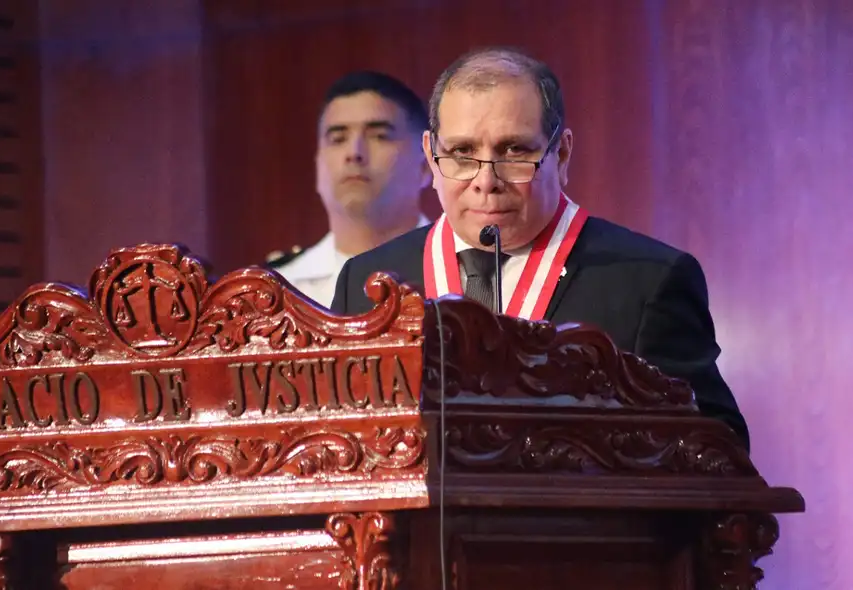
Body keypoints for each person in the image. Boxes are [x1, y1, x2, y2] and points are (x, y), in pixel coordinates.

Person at [329, 48, 749, 449]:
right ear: (430, 155)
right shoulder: (364, 282)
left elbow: (717, 448)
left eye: (514, 150)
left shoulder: (648, 281)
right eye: (461, 152)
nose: (486, 180)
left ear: (561, 154)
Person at [268, 71, 433, 307]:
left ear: (426, 166)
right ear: (318, 166)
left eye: (379, 136)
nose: (354, 153)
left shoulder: (464, 274)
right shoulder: (277, 292)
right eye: (337, 138)